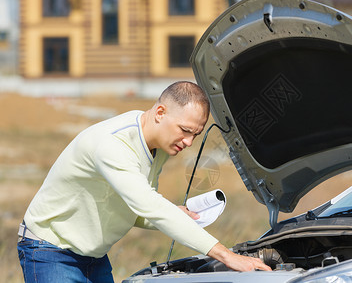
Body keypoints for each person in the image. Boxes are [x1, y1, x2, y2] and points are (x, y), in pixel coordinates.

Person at [17, 81, 271, 282]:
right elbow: (149, 205)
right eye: (184, 130)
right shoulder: (114, 145)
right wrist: (227, 256)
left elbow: (134, 207)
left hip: (93, 257)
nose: (189, 142)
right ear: (160, 112)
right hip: (50, 251)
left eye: (196, 134)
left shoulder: (157, 146)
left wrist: (176, 212)